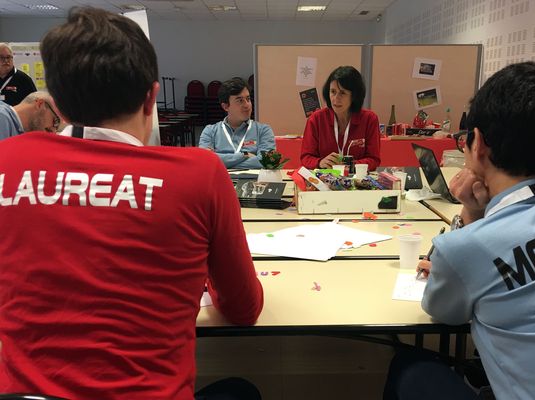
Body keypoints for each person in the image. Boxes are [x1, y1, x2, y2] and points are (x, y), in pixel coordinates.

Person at [0, 7, 263, 400]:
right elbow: (243, 308)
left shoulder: (7, 162)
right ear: (151, 97)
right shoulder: (201, 175)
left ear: (60, 106)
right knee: (242, 390)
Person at [384, 62, 535, 400]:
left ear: (478, 143)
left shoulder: (465, 248)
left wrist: (470, 211)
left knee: (412, 369)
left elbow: (442, 311)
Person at [300, 66, 381, 171]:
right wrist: (320, 162)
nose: (336, 98)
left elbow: (374, 159)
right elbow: (306, 157)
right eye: (333, 91)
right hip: (325, 181)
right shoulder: (316, 119)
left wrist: (350, 166)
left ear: (354, 96)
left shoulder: (369, 119)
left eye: (342, 93)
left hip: (358, 181)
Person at [199, 77, 275, 169]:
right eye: (240, 100)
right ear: (226, 106)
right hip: (220, 181)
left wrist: (221, 161)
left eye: (248, 99)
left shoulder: (263, 130)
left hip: (254, 182)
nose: (247, 105)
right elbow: (205, 160)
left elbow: (267, 162)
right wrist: (244, 154)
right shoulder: (210, 131)